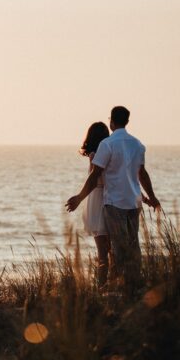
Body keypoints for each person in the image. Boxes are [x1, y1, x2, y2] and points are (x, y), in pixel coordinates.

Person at [66, 106, 160, 289]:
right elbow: (139, 175)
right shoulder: (137, 144)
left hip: (114, 203)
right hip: (133, 203)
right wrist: (151, 197)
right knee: (132, 245)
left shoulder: (108, 145)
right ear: (127, 121)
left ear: (112, 121)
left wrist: (79, 198)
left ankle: (116, 286)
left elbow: (95, 176)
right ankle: (131, 283)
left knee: (115, 250)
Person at [77, 122, 112, 287]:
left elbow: (94, 180)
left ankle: (102, 285)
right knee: (109, 250)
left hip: (98, 200)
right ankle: (107, 284)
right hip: (104, 198)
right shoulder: (106, 154)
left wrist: (79, 198)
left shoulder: (94, 155)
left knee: (103, 251)